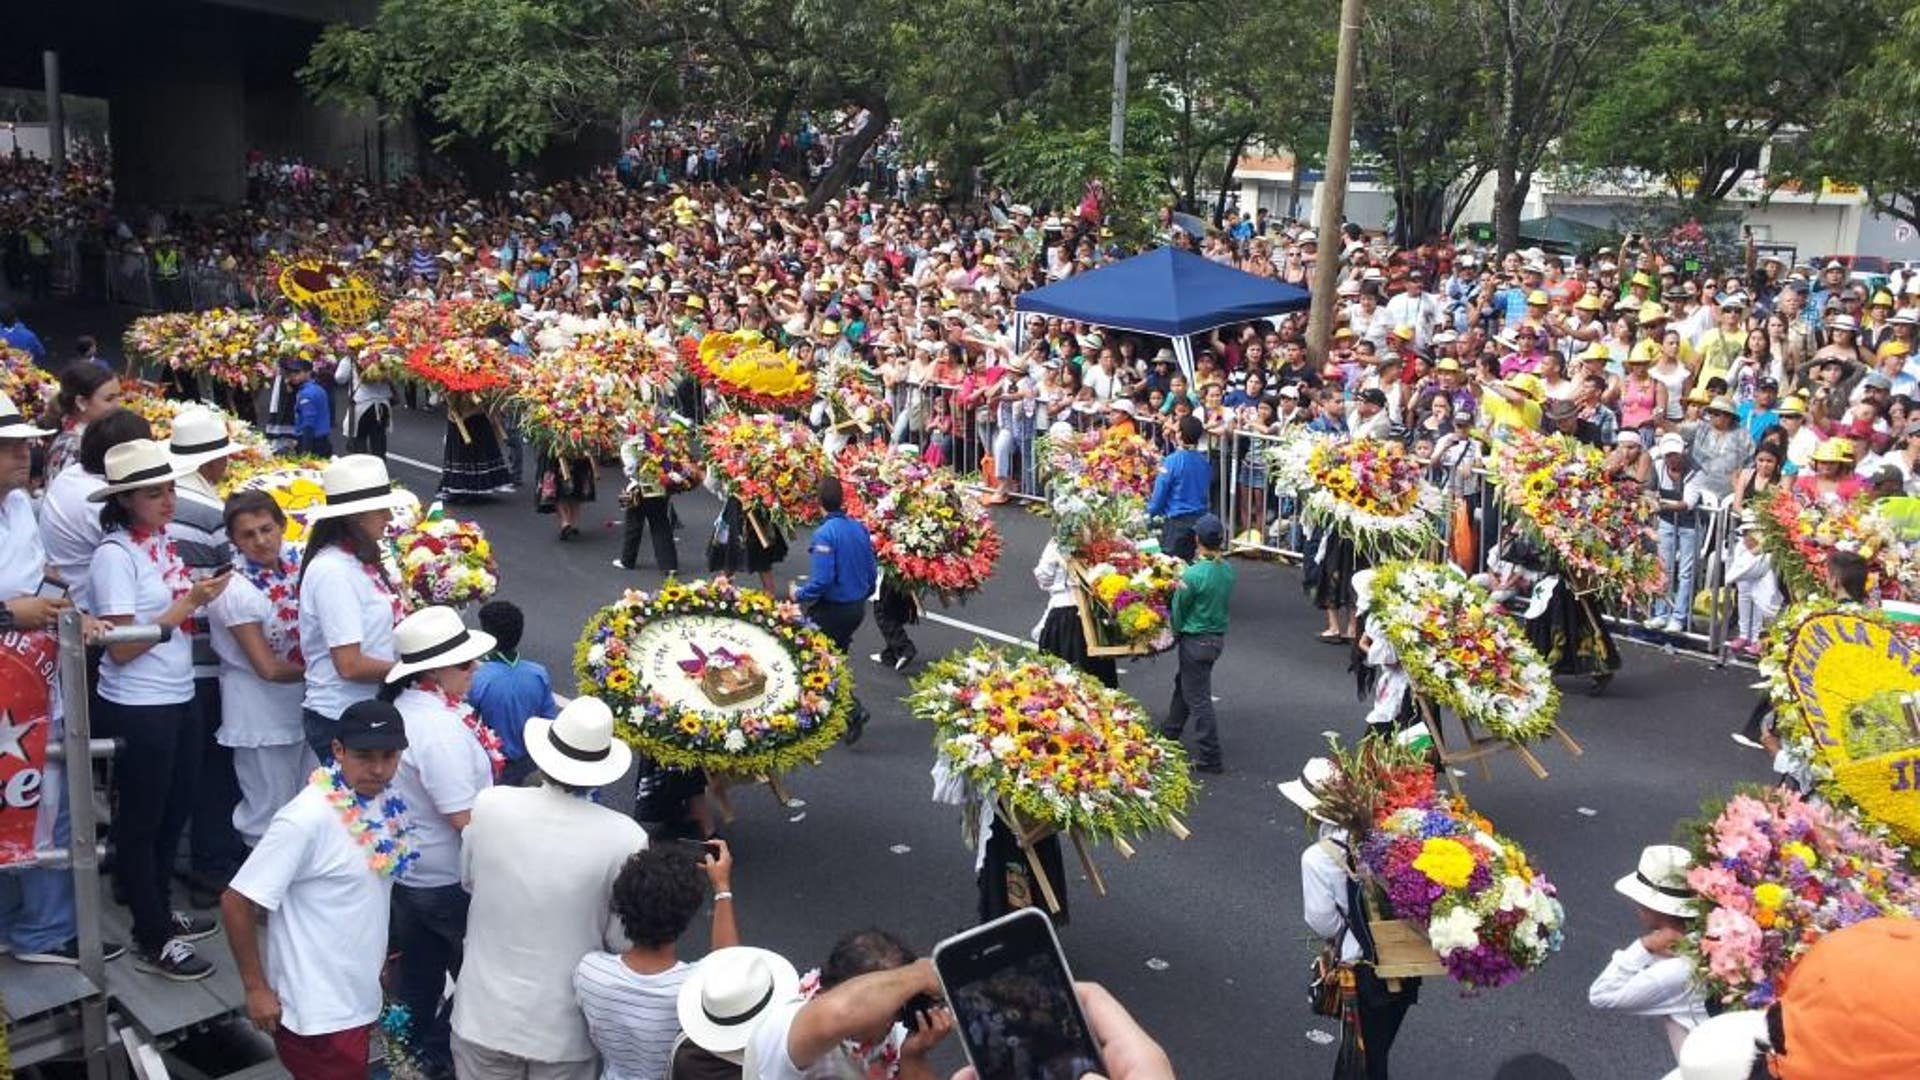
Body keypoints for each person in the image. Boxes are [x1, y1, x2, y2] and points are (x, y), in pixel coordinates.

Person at [88, 439, 232, 979]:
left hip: (175, 695)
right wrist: (189, 604)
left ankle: (157, 912)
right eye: (154, 493)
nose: (168, 500)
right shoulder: (115, 555)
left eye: (170, 488)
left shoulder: (159, 543)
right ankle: (151, 934)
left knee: (174, 812)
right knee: (143, 820)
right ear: (127, 501)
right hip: (138, 704)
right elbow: (122, 647)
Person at [452, 697, 649, 1080]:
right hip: (564, 1031)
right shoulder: (626, 836)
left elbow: (469, 880)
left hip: (483, 1015)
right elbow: (620, 938)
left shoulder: (491, 805)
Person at [221, 701, 412, 1080]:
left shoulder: (384, 802)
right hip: (317, 1015)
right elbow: (236, 901)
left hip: (357, 997)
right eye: (363, 756)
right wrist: (256, 988)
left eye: (388, 756)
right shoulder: (304, 819)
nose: (377, 769)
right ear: (338, 751)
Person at [0, 393, 126, 966]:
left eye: (25, 443)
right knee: (29, 807)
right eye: (9, 447)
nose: (26, 453)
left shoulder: (20, 506)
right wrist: (9, 615)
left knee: (49, 802)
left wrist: (69, 606)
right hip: (8, 688)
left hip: (39, 674)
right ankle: (38, 932)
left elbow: (41, 574)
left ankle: (32, 922)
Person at [381, 605, 500, 1079]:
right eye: (466, 664)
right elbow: (462, 816)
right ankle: (431, 1057)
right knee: (480, 978)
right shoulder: (439, 730)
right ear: (433, 671)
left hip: (413, 872)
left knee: (418, 979)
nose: (475, 670)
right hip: (449, 877)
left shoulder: (409, 710)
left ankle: (402, 1057)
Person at [1285, 757, 1417, 1080]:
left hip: (1365, 970)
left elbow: (1323, 923)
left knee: (1361, 1061)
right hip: (1406, 957)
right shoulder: (1380, 828)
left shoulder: (1318, 857)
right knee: (1375, 1050)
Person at [574, 843, 752, 1079]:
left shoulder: (590, 972)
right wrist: (722, 887)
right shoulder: (693, 989)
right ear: (687, 915)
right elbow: (727, 969)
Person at [168, 408, 250, 906]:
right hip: (200, 656)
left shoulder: (168, 500)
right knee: (213, 767)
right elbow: (230, 582)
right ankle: (213, 866)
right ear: (214, 461)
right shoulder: (206, 512)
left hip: (169, 655)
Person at [207, 490, 310, 848]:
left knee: (306, 804)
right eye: (248, 535)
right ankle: (261, 900)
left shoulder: (299, 565)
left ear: (282, 525)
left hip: (300, 705)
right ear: (234, 540)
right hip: (259, 712)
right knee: (268, 810)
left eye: (267, 529)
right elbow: (266, 667)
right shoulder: (234, 590)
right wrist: (324, 669)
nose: (261, 541)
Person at [298, 455, 411, 762]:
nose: (388, 517)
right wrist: (414, 668)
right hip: (343, 716)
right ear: (356, 517)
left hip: (365, 708)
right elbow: (349, 665)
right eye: (380, 509)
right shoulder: (333, 571)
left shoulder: (357, 562)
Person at [740, 929, 953, 1080]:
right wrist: (919, 976)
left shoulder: (889, 1017)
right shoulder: (784, 1031)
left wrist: (913, 1056)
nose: (896, 1018)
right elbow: (839, 1014)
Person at [1588, 845, 1710, 1064]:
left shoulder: (1674, 970)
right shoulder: (1714, 935)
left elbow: (1601, 994)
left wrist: (1645, 945)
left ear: (1648, 906)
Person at [791, 477, 878, 743]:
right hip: (856, 608)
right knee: (833, 660)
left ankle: (851, 711)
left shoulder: (824, 535)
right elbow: (872, 569)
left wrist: (799, 594)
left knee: (810, 658)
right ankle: (836, 711)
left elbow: (822, 580)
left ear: (819, 503)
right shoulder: (859, 528)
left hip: (834, 610)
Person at [1159, 514, 1233, 774]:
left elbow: (1179, 610)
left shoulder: (1193, 574)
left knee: (1198, 698)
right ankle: (1169, 733)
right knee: (1187, 685)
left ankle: (1210, 756)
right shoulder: (1226, 570)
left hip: (1195, 640)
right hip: (1215, 639)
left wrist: (1172, 634)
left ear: (1197, 539)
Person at [468, 600, 557, 786]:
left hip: (491, 762)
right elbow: (548, 719)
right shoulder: (538, 673)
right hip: (527, 760)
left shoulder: (477, 678)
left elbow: (467, 723)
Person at [1648, 433, 1704, 634]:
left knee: (1686, 572)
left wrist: (1660, 504)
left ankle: (1679, 616)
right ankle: (1661, 613)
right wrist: (1652, 500)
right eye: (1668, 454)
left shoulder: (1695, 471)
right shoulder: (1657, 467)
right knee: (1663, 568)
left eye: (1675, 454)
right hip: (1666, 523)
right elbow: (1649, 490)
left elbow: (1688, 503)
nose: (1672, 458)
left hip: (1689, 526)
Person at [41, 362, 122, 480]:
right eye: (109, 399)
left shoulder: (92, 437)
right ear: (82, 402)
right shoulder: (71, 447)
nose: (118, 405)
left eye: (118, 396)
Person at [1146, 414, 1210, 561]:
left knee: (1170, 567)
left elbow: (1160, 493)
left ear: (1179, 434)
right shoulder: (1204, 462)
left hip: (1176, 522)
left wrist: (1149, 513)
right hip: (1198, 519)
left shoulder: (1171, 461)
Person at [287, 360, 333, 458]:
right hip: (323, 440)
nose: (293, 376)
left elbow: (308, 424)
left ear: (308, 372)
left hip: (313, 443)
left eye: (298, 372)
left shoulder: (306, 394)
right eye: (291, 373)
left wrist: (304, 451)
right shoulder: (318, 388)